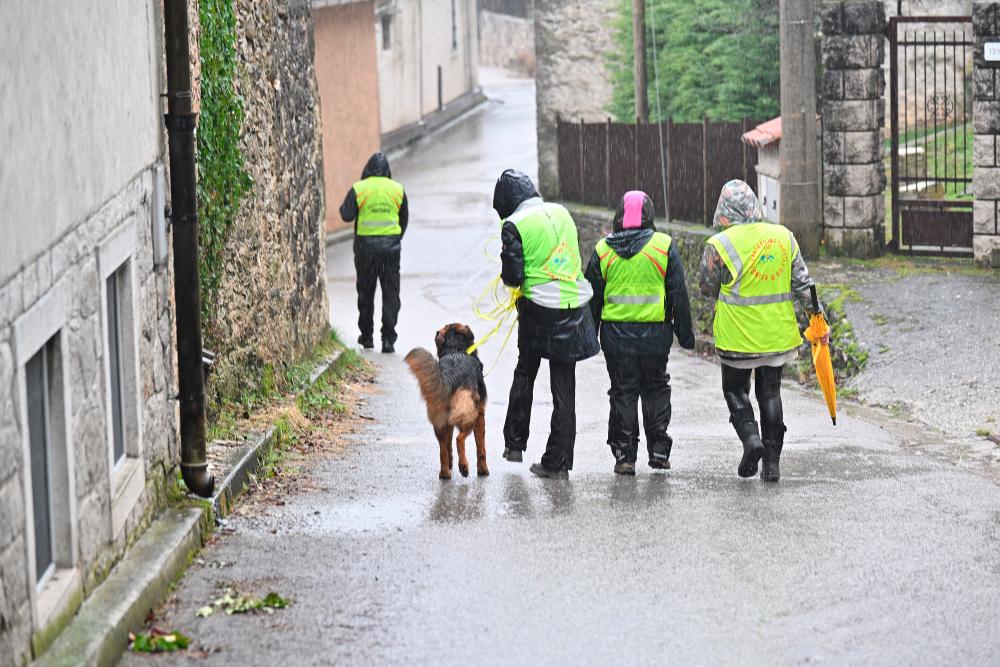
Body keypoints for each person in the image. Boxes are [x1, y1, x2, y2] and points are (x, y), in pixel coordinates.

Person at [699, 180, 826, 483]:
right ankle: (772, 463)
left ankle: (751, 439)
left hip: (738, 338)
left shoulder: (719, 245)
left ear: (725, 211)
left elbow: (706, 288)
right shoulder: (784, 237)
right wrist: (817, 320)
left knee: (734, 390)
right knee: (770, 392)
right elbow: (804, 284)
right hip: (776, 336)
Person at [494, 169, 600, 479]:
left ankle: (515, 443)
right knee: (564, 388)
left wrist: (507, 272)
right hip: (575, 307)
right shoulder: (562, 212)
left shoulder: (514, 224)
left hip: (539, 309)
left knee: (526, 371)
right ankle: (559, 461)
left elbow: (514, 276)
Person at [584, 191, 695, 475]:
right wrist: (685, 334)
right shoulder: (663, 246)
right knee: (656, 388)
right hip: (655, 337)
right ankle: (658, 450)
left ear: (619, 215)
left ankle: (625, 455)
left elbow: (592, 298)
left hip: (616, 338)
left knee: (623, 392)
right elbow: (678, 294)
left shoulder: (603, 250)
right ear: (649, 215)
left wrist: (588, 335)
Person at [339, 151, 409, 353]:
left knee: (366, 293)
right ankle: (388, 339)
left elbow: (346, 214)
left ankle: (367, 337)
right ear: (387, 170)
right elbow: (403, 220)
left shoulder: (359, 189)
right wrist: (394, 239)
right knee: (391, 293)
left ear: (367, 168)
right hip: (391, 251)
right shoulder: (397, 190)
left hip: (365, 250)